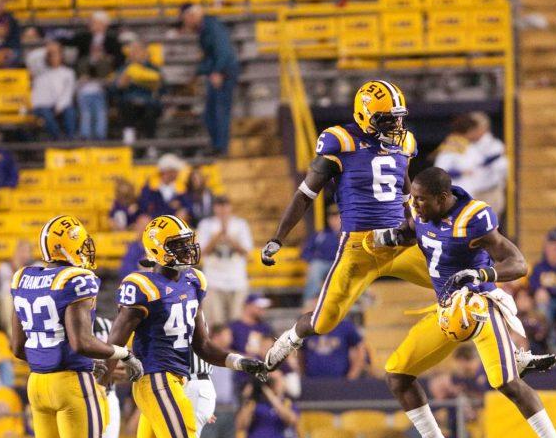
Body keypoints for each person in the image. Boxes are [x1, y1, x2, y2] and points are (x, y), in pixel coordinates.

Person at [85, 216, 267, 438]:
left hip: (177, 380)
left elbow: (201, 345)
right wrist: (106, 379)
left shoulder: (194, 281)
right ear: (156, 248)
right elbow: (113, 343)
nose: (186, 250)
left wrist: (240, 361)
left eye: (187, 242)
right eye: (177, 245)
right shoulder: (141, 285)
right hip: (154, 380)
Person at [372, 167, 556, 438]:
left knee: (507, 384)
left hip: (477, 306)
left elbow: (518, 263)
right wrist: (392, 237)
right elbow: (416, 230)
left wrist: (482, 274)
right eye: (414, 199)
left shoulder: (472, 218)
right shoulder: (420, 210)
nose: (415, 205)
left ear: (442, 198)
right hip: (447, 312)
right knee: (397, 374)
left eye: (421, 200)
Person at [0, 217, 143, 438]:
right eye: (80, 243)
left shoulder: (22, 277)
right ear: (66, 246)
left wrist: (49, 356)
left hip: (37, 383)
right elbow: (81, 341)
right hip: (73, 385)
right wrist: (120, 353)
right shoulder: (76, 280)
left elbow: (17, 346)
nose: (85, 250)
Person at [260, 81, 431, 369]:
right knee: (323, 321)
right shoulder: (341, 141)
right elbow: (305, 194)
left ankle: (508, 351)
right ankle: (290, 338)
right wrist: (278, 237)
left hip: (400, 242)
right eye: (387, 119)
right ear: (365, 116)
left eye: (398, 117)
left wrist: (418, 222)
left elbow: (404, 188)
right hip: (359, 247)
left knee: (459, 281)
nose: (395, 125)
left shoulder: (406, 142)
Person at [180, 4, 239, 155]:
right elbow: (209, 57)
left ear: (191, 16)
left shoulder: (212, 26)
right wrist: (198, 72)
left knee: (220, 111)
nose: (185, 23)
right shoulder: (204, 29)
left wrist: (218, 72)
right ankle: (216, 146)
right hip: (216, 72)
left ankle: (221, 148)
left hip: (224, 73)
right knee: (209, 113)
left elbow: (223, 51)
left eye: (185, 19)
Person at [432, 111, 508, 217]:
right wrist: (460, 172)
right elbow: (440, 171)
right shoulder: (454, 144)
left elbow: (500, 168)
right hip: (457, 196)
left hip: (485, 192)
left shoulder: (491, 144)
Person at [196, 196, 252, 327]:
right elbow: (201, 252)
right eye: (219, 206)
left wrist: (229, 238)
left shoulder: (240, 224)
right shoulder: (206, 225)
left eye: (225, 206)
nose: (222, 210)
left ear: (230, 207)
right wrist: (218, 235)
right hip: (214, 280)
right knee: (216, 324)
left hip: (237, 280)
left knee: (237, 323)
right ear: (215, 208)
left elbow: (246, 251)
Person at [200, 324, 237, 438]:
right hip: (210, 412)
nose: (230, 337)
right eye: (226, 333)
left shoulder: (229, 356)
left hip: (229, 410)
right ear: (216, 335)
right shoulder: (204, 354)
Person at [301, 300, 365, 382]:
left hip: (340, 381)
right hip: (312, 382)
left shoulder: (344, 325)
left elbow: (360, 348)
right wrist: (302, 374)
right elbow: (300, 353)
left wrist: (353, 373)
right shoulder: (308, 327)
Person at [112, 39, 163, 139]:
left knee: (151, 112)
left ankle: (150, 145)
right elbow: (114, 90)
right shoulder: (124, 69)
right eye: (132, 51)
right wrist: (119, 85)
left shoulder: (153, 69)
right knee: (126, 107)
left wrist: (156, 86)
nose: (134, 53)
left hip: (149, 102)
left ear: (145, 53)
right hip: (128, 102)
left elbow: (163, 89)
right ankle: (129, 141)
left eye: (137, 50)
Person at [28, 39, 76, 138]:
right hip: (41, 106)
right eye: (51, 55)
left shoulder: (68, 72)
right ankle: (58, 139)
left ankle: (70, 139)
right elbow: (31, 58)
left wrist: (59, 107)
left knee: (70, 111)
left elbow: (68, 93)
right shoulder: (40, 70)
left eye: (57, 54)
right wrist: (47, 49)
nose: (54, 58)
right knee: (46, 114)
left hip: (58, 105)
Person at [300, 212, 341, 303]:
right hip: (322, 263)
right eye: (332, 218)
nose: (335, 221)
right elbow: (305, 251)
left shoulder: (349, 235)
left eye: (337, 218)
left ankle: (362, 297)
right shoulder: (321, 234)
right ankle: (311, 300)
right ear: (328, 220)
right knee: (315, 267)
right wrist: (312, 258)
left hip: (340, 263)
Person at [137, 152, 185, 218]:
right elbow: (144, 207)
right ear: (167, 171)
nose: (177, 174)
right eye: (174, 171)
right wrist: (169, 206)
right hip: (155, 222)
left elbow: (188, 206)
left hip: (174, 224)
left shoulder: (180, 188)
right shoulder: (150, 187)